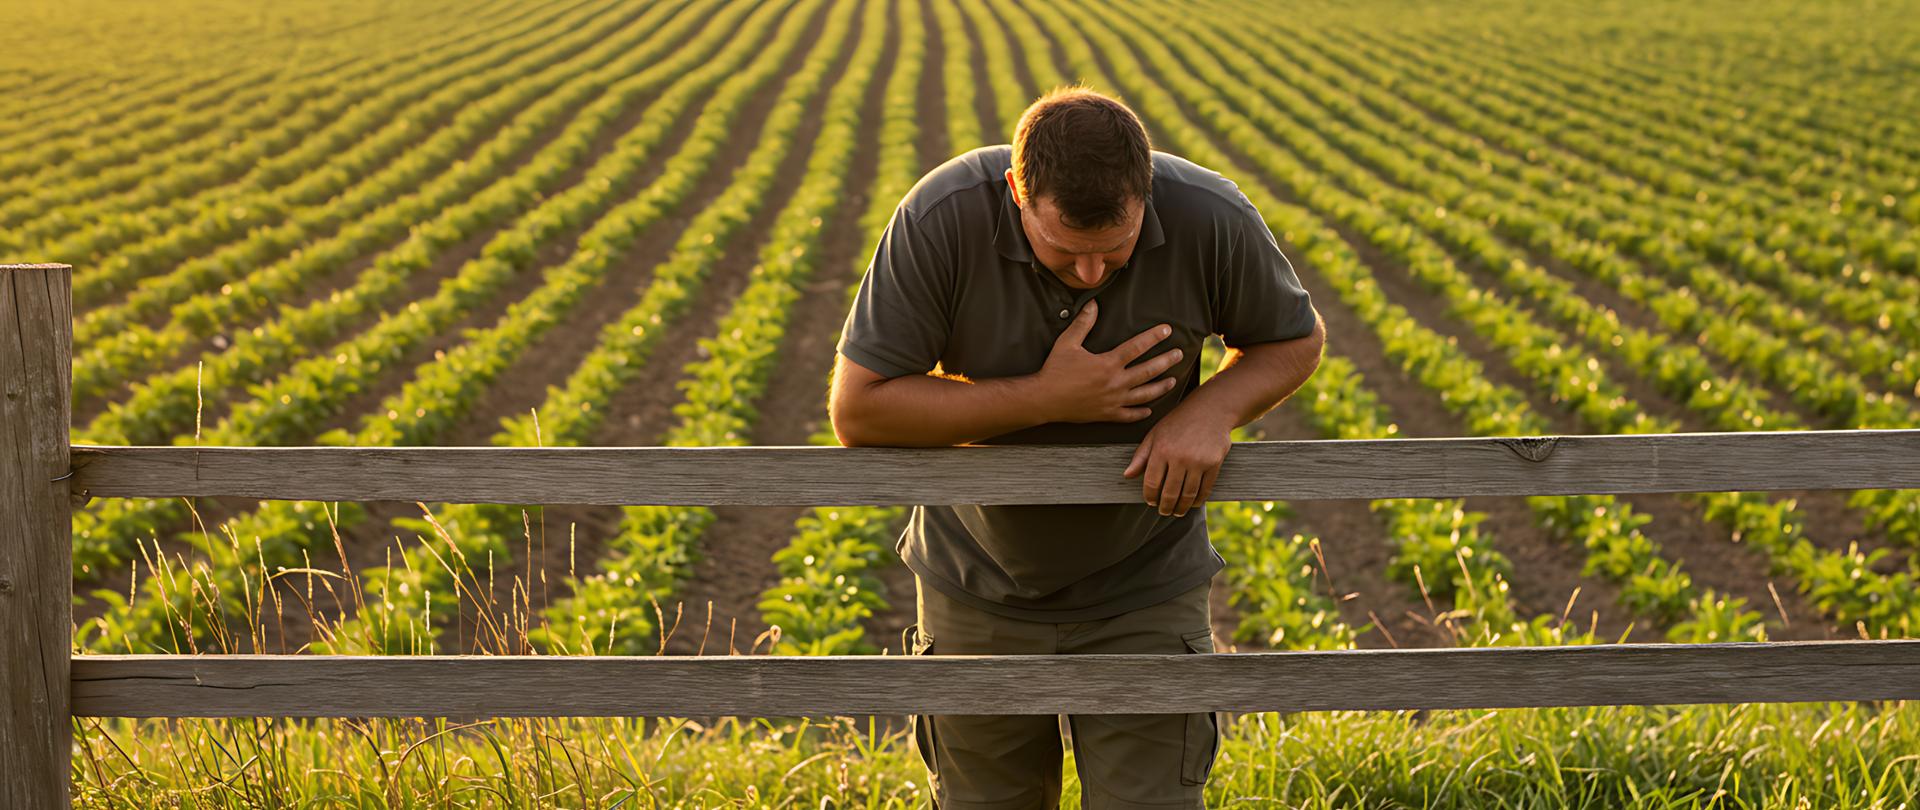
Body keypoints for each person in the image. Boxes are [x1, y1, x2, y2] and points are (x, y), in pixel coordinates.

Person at [828, 84, 1325, 808]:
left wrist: (1211, 410)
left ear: (1146, 193)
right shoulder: (941, 216)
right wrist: (1048, 397)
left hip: (1146, 585)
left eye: (1114, 251)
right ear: (1015, 193)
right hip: (975, 586)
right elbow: (859, 410)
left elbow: (1294, 340)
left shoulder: (1211, 214)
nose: (1091, 273)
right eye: (1065, 251)